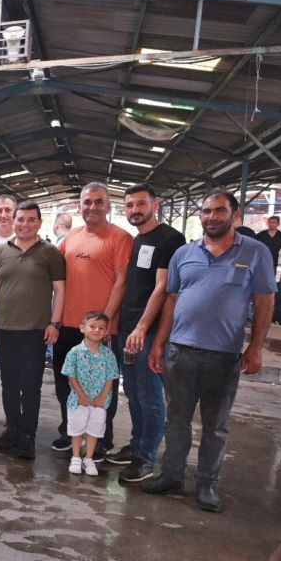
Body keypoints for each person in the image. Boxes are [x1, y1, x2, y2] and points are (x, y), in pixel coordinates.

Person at [143, 188, 275, 512]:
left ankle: (207, 484)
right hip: (180, 352)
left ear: (235, 215)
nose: (211, 217)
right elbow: (171, 300)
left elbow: (264, 301)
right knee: (177, 420)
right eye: (206, 211)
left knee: (215, 426)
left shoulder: (255, 252)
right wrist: (159, 343)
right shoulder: (184, 254)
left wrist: (255, 347)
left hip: (223, 355)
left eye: (219, 210)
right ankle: (172, 475)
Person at [52, 183, 132, 460]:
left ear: (108, 206)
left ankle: (100, 440)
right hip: (69, 325)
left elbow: (122, 281)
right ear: (80, 206)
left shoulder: (120, 238)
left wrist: (104, 322)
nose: (93, 207)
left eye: (99, 202)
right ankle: (70, 432)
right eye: (87, 202)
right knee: (66, 383)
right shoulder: (70, 238)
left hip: (100, 330)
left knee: (101, 386)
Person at [0, 201, 65, 460]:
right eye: (20, 219)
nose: (25, 224)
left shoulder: (50, 252)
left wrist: (54, 323)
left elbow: (60, 289)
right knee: (9, 383)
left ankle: (28, 434)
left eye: (31, 220)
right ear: (13, 221)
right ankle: (12, 430)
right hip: (5, 328)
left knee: (30, 385)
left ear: (39, 223)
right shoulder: (0, 251)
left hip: (35, 330)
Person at [112, 184, 185, 482]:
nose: (135, 210)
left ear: (156, 204)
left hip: (148, 332)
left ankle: (146, 458)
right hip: (127, 329)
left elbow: (163, 287)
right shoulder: (136, 240)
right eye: (129, 205)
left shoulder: (170, 238)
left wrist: (143, 327)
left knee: (150, 395)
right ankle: (137, 444)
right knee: (132, 392)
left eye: (141, 204)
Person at [61, 311, 119, 477]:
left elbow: (110, 377)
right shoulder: (74, 352)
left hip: (99, 402)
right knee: (77, 427)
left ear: (106, 331)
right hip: (78, 400)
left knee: (95, 429)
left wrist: (102, 397)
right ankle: (76, 457)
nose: (96, 330)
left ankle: (88, 458)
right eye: (92, 326)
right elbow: (70, 375)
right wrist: (81, 395)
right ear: (82, 328)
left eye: (101, 328)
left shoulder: (109, 354)